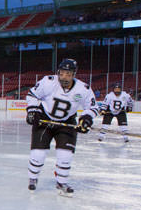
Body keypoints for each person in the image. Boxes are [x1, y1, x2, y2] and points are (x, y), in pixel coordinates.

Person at [25, 59, 99, 196]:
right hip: (44, 119)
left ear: (74, 74)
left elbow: (93, 107)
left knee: (65, 155)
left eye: (68, 74)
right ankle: (33, 178)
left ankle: (61, 182)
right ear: (58, 72)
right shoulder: (48, 82)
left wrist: (86, 119)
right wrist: (32, 111)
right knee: (38, 154)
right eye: (62, 73)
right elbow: (32, 95)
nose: (64, 77)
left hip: (67, 122)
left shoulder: (83, 89)